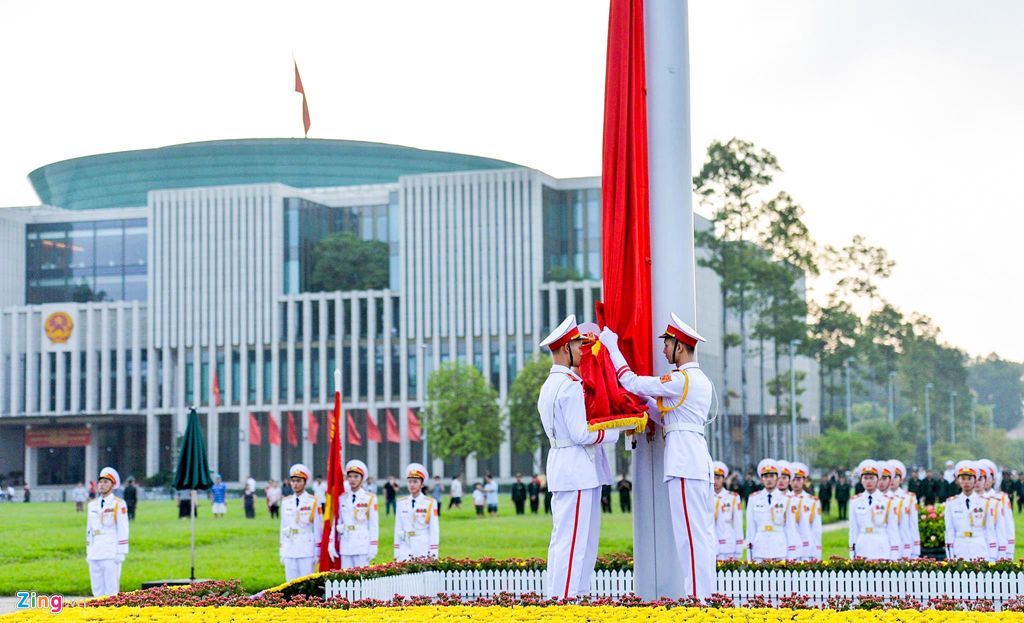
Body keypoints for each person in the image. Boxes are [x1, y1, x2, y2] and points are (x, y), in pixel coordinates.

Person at [601, 314, 715, 599]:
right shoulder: (694, 380)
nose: (663, 349)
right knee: (697, 535)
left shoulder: (682, 379)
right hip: (692, 460)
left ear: (680, 347)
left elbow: (631, 381)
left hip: (686, 463)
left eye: (667, 343)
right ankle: (704, 597)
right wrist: (645, 405)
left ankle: (701, 601)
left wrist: (613, 349)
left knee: (691, 537)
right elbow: (667, 417)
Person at [540, 316, 620, 600]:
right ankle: (564, 599)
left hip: (567, 466)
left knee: (571, 539)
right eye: (577, 345)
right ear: (565, 349)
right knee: (574, 541)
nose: (581, 350)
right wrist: (614, 430)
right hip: (576, 467)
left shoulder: (551, 384)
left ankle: (571, 595)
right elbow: (581, 433)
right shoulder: (570, 385)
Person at [86, 467, 129, 597]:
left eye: (106, 482)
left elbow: (123, 528)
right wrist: (88, 550)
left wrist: (122, 551)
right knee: (97, 589)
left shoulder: (118, 504)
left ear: (112, 485)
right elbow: (89, 530)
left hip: (111, 551)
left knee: (111, 590)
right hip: (95, 551)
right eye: (100, 482)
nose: (102, 485)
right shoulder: (92, 505)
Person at [329, 460, 379, 569]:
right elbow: (336, 521)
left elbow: (374, 524)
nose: (352, 480)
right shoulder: (342, 498)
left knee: (361, 577)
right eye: (350, 476)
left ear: (362, 479)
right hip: (346, 543)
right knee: (346, 578)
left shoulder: (369, 498)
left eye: (356, 476)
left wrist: (373, 545)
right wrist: (331, 542)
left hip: (362, 543)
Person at [745, 459, 798, 561]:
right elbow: (750, 528)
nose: (769, 480)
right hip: (759, 547)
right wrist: (749, 554)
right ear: (761, 480)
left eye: (772, 476)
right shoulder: (753, 499)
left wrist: (791, 555)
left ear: (777, 479)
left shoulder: (786, 499)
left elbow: (790, 528)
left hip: (780, 547)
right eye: (766, 477)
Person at [280, 463, 323, 582]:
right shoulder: (286, 502)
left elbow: (318, 528)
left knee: (306, 584)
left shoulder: (313, 502)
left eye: (298, 481)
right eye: (293, 481)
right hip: (290, 547)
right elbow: (283, 527)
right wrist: (282, 550)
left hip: (306, 548)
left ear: (305, 482)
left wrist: (317, 551)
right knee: (290, 584)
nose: (295, 484)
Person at [944, 460, 996, 560]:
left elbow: (990, 531)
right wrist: (950, 556)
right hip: (960, 547)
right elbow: (949, 532)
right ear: (958, 481)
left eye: (969, 478)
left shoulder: (985, 502)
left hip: (980, 547)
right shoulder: (951, 503)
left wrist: (992, 557)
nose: (966, 482)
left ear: (975, 481)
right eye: (963, 478)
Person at [849, 460, 900, 560]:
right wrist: (852, 551)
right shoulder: (855, 501)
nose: (868, 481)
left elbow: (893, 529)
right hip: (862, 543)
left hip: (881, 543)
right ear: (861, 480)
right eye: (865, 478)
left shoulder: (887, 501)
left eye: (872, 478)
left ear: (878, 479)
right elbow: (853, 529)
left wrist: (894, 554)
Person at [394, 463, 439, 561]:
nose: (412, 485)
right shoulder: (401, 503)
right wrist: (396, 550)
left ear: (422, 484)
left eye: (415, 482)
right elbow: (398, 527)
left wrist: (433, 551)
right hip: (406, 545)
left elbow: (434, 529)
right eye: (410, 482)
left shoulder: (430, 503)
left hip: (422, 546)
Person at [977, 459, 1014, 560]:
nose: (985, 481)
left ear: (993, 479)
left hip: (996, 545)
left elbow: (1007, 526)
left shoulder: (1001, 498)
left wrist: (1008, 551)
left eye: (988, 477)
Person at [790, 462, 822, 561]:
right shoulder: (785, 500)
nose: (795, 483)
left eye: (799, 480)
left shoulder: (812, 501)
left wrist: (817, 550)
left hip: (807, 546)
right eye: (793, 480)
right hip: (790, 546)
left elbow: (816, 529)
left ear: (805, 481)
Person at [712, 461, 744, 560]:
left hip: (728, 542)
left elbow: (738, 524)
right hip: (711, 541)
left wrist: (739, 547)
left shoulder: (732, 497)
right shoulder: (705, 497)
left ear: (724, 479)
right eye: (713, 478)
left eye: (718, 478)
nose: (715, 481)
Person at [889, 460, 920, 558]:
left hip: (904, 544)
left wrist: (916, 551)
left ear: (901, 479)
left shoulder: (909, 498)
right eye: (889, 477)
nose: (892, 480)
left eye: (895, 477)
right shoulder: (878, 499)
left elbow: (913, 526)